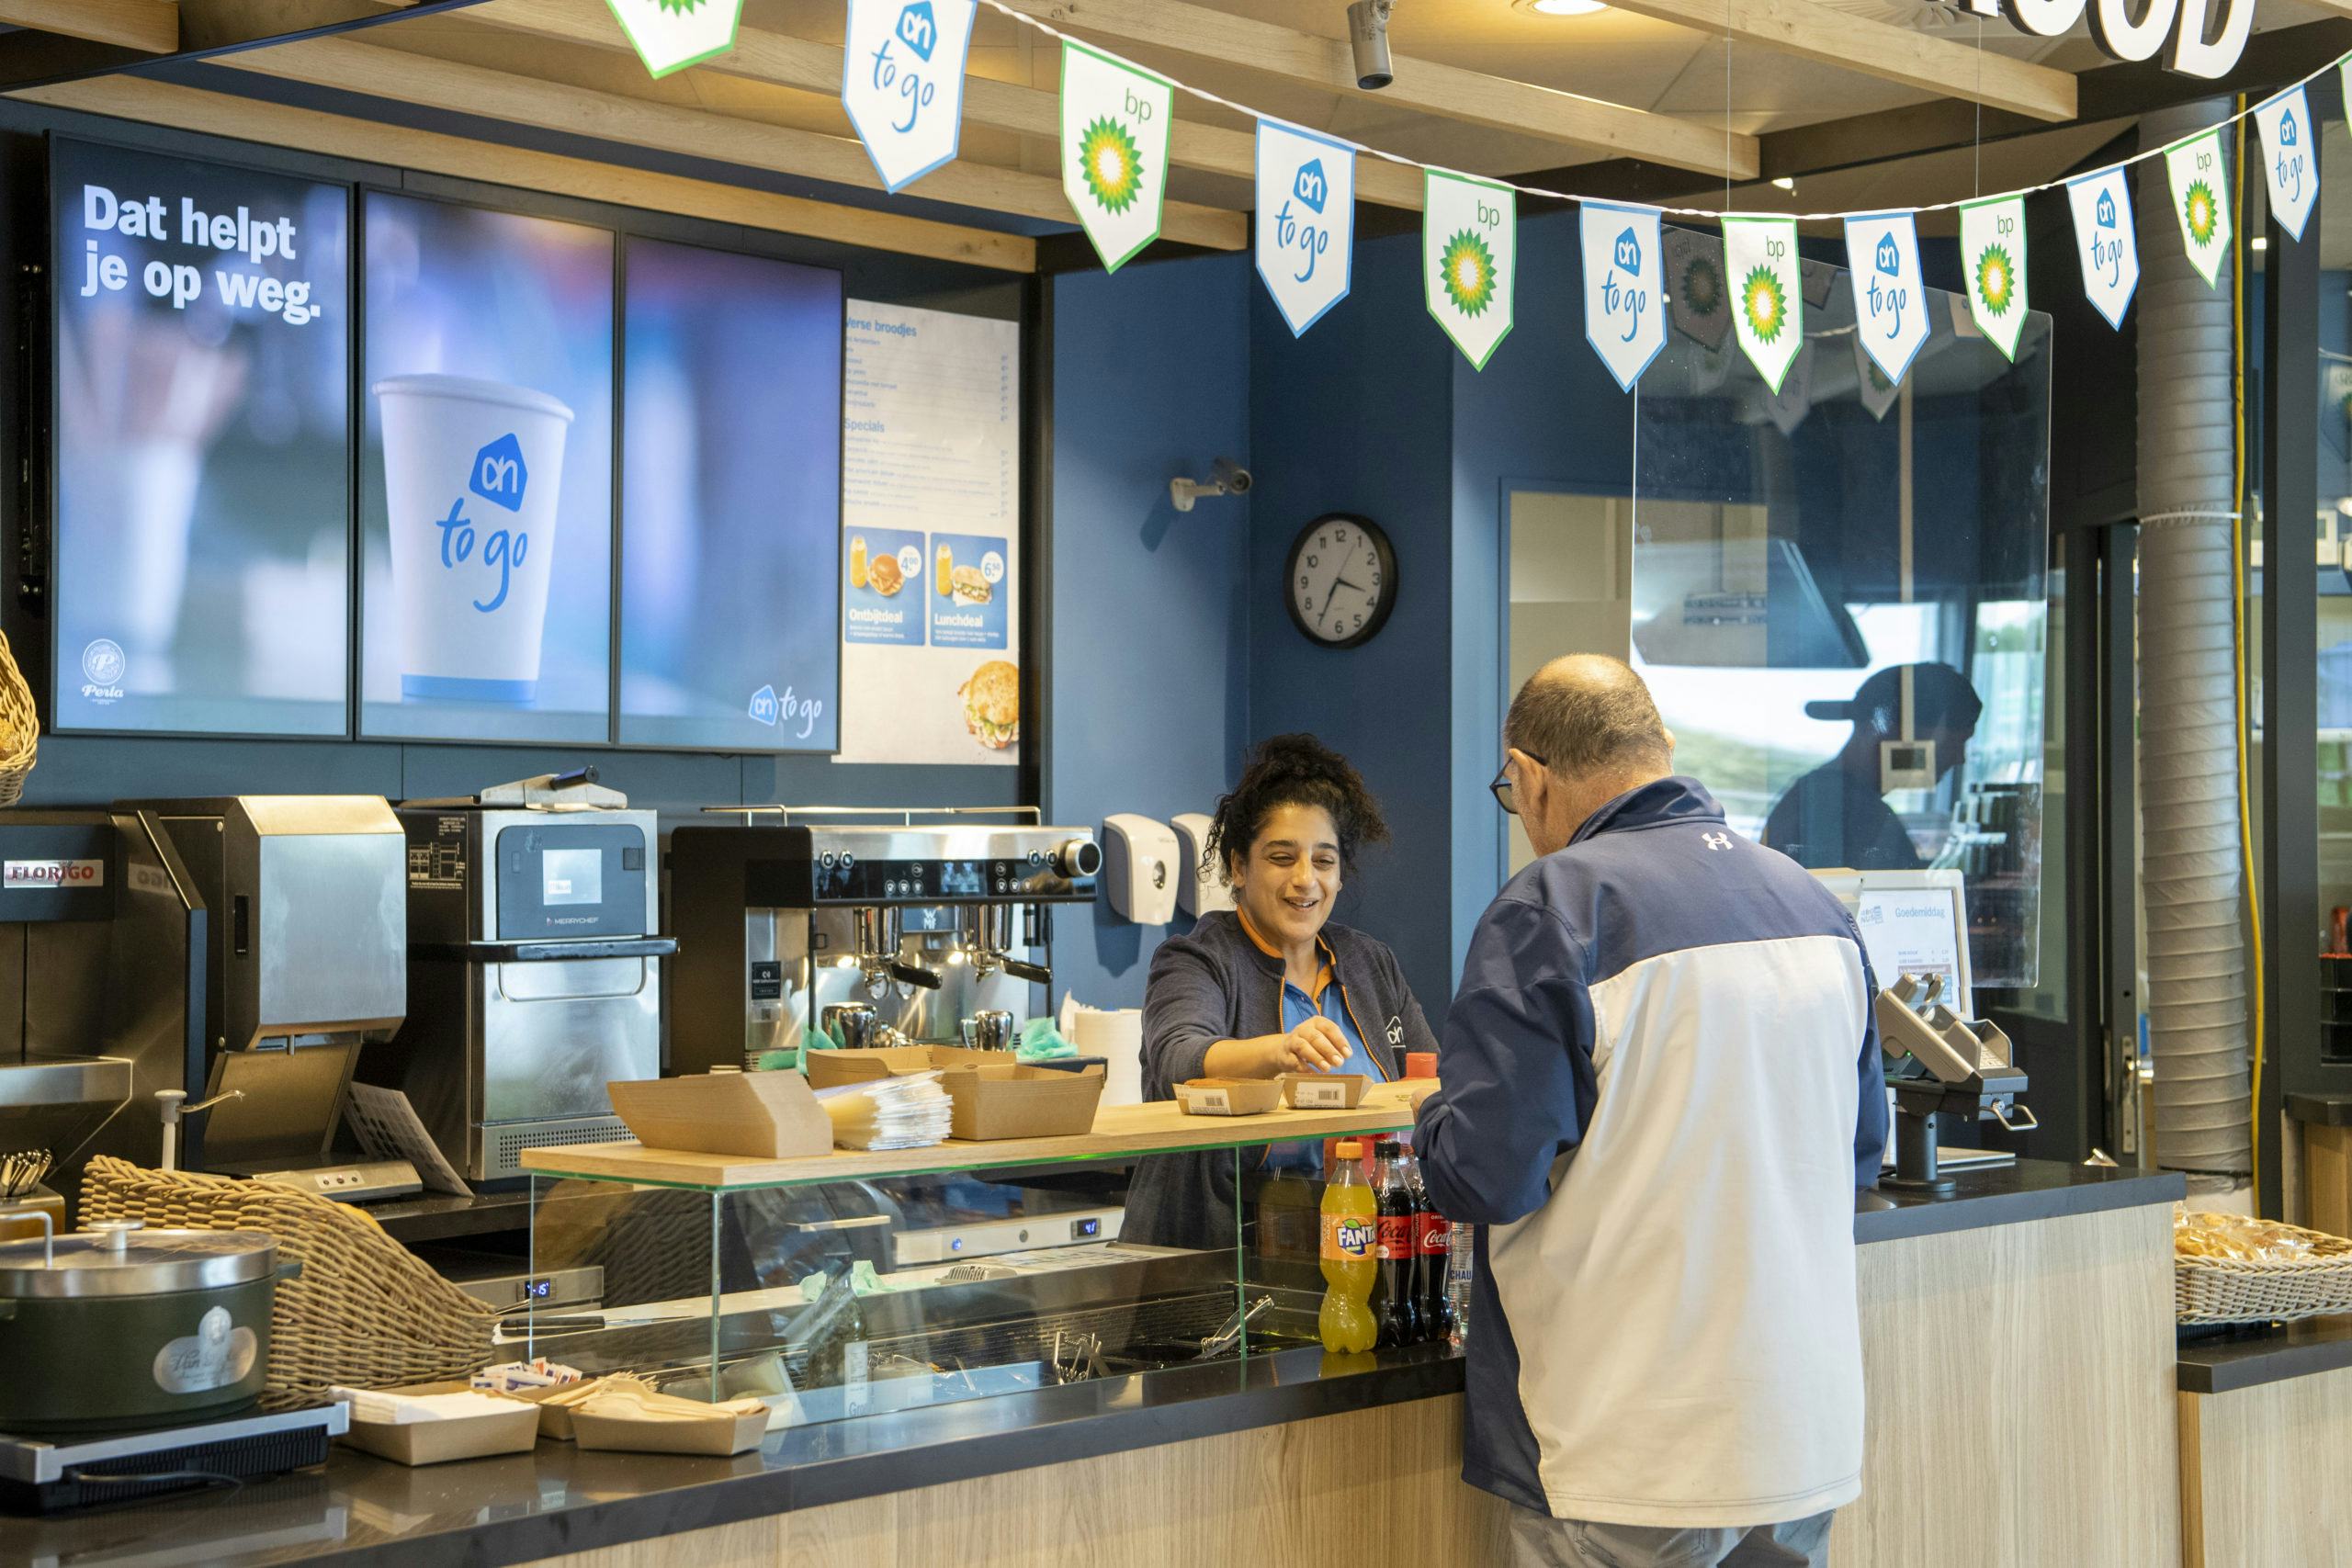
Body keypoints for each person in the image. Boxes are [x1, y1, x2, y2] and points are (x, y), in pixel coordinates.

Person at [1412, 655, 1886, 1568]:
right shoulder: (1816, 908)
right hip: (1801, 1434)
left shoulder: (1552, 910)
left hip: (1630, 1447)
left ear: (1529, 777)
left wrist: (1432, 1113)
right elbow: (1858, 1156)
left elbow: (1484, 1174)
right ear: (1659, 746)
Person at [1124, 733, 1438, 1248]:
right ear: (1238, 866)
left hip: (1360, 1243)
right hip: (1218, 1256)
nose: (1305, 879)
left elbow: (1429, 1078)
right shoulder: (1196, 958)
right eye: (1282, 857)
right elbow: (1179, 1061)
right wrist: (1279, 1052)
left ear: (1340, 876)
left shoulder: (1370, 962)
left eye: (1324, 861)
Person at [1763, 661, 1982, 871]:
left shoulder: (1822, 796)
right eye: (1954, 743)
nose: (1959, 758)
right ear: (1893, 732)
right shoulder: (1848, 812)